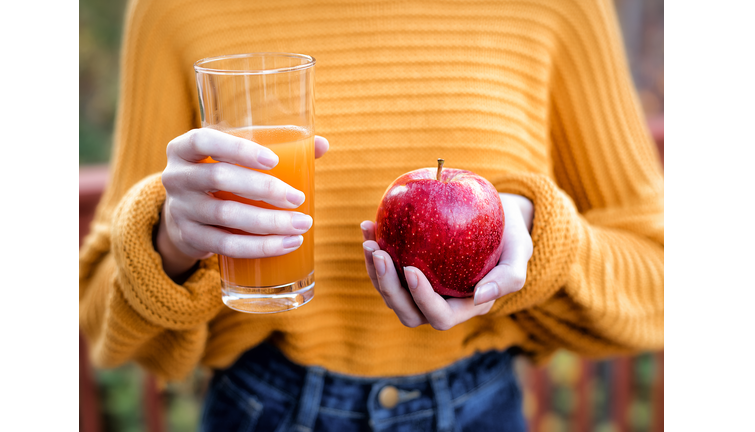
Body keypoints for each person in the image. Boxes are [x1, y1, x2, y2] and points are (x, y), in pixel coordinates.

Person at [79, 0, 664, 430]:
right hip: (261, 408)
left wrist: (534, 233)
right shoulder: (174, 11)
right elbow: (100, 322)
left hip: (481, 408)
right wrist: (167, 240)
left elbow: (659, 276)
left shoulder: (558, 9)